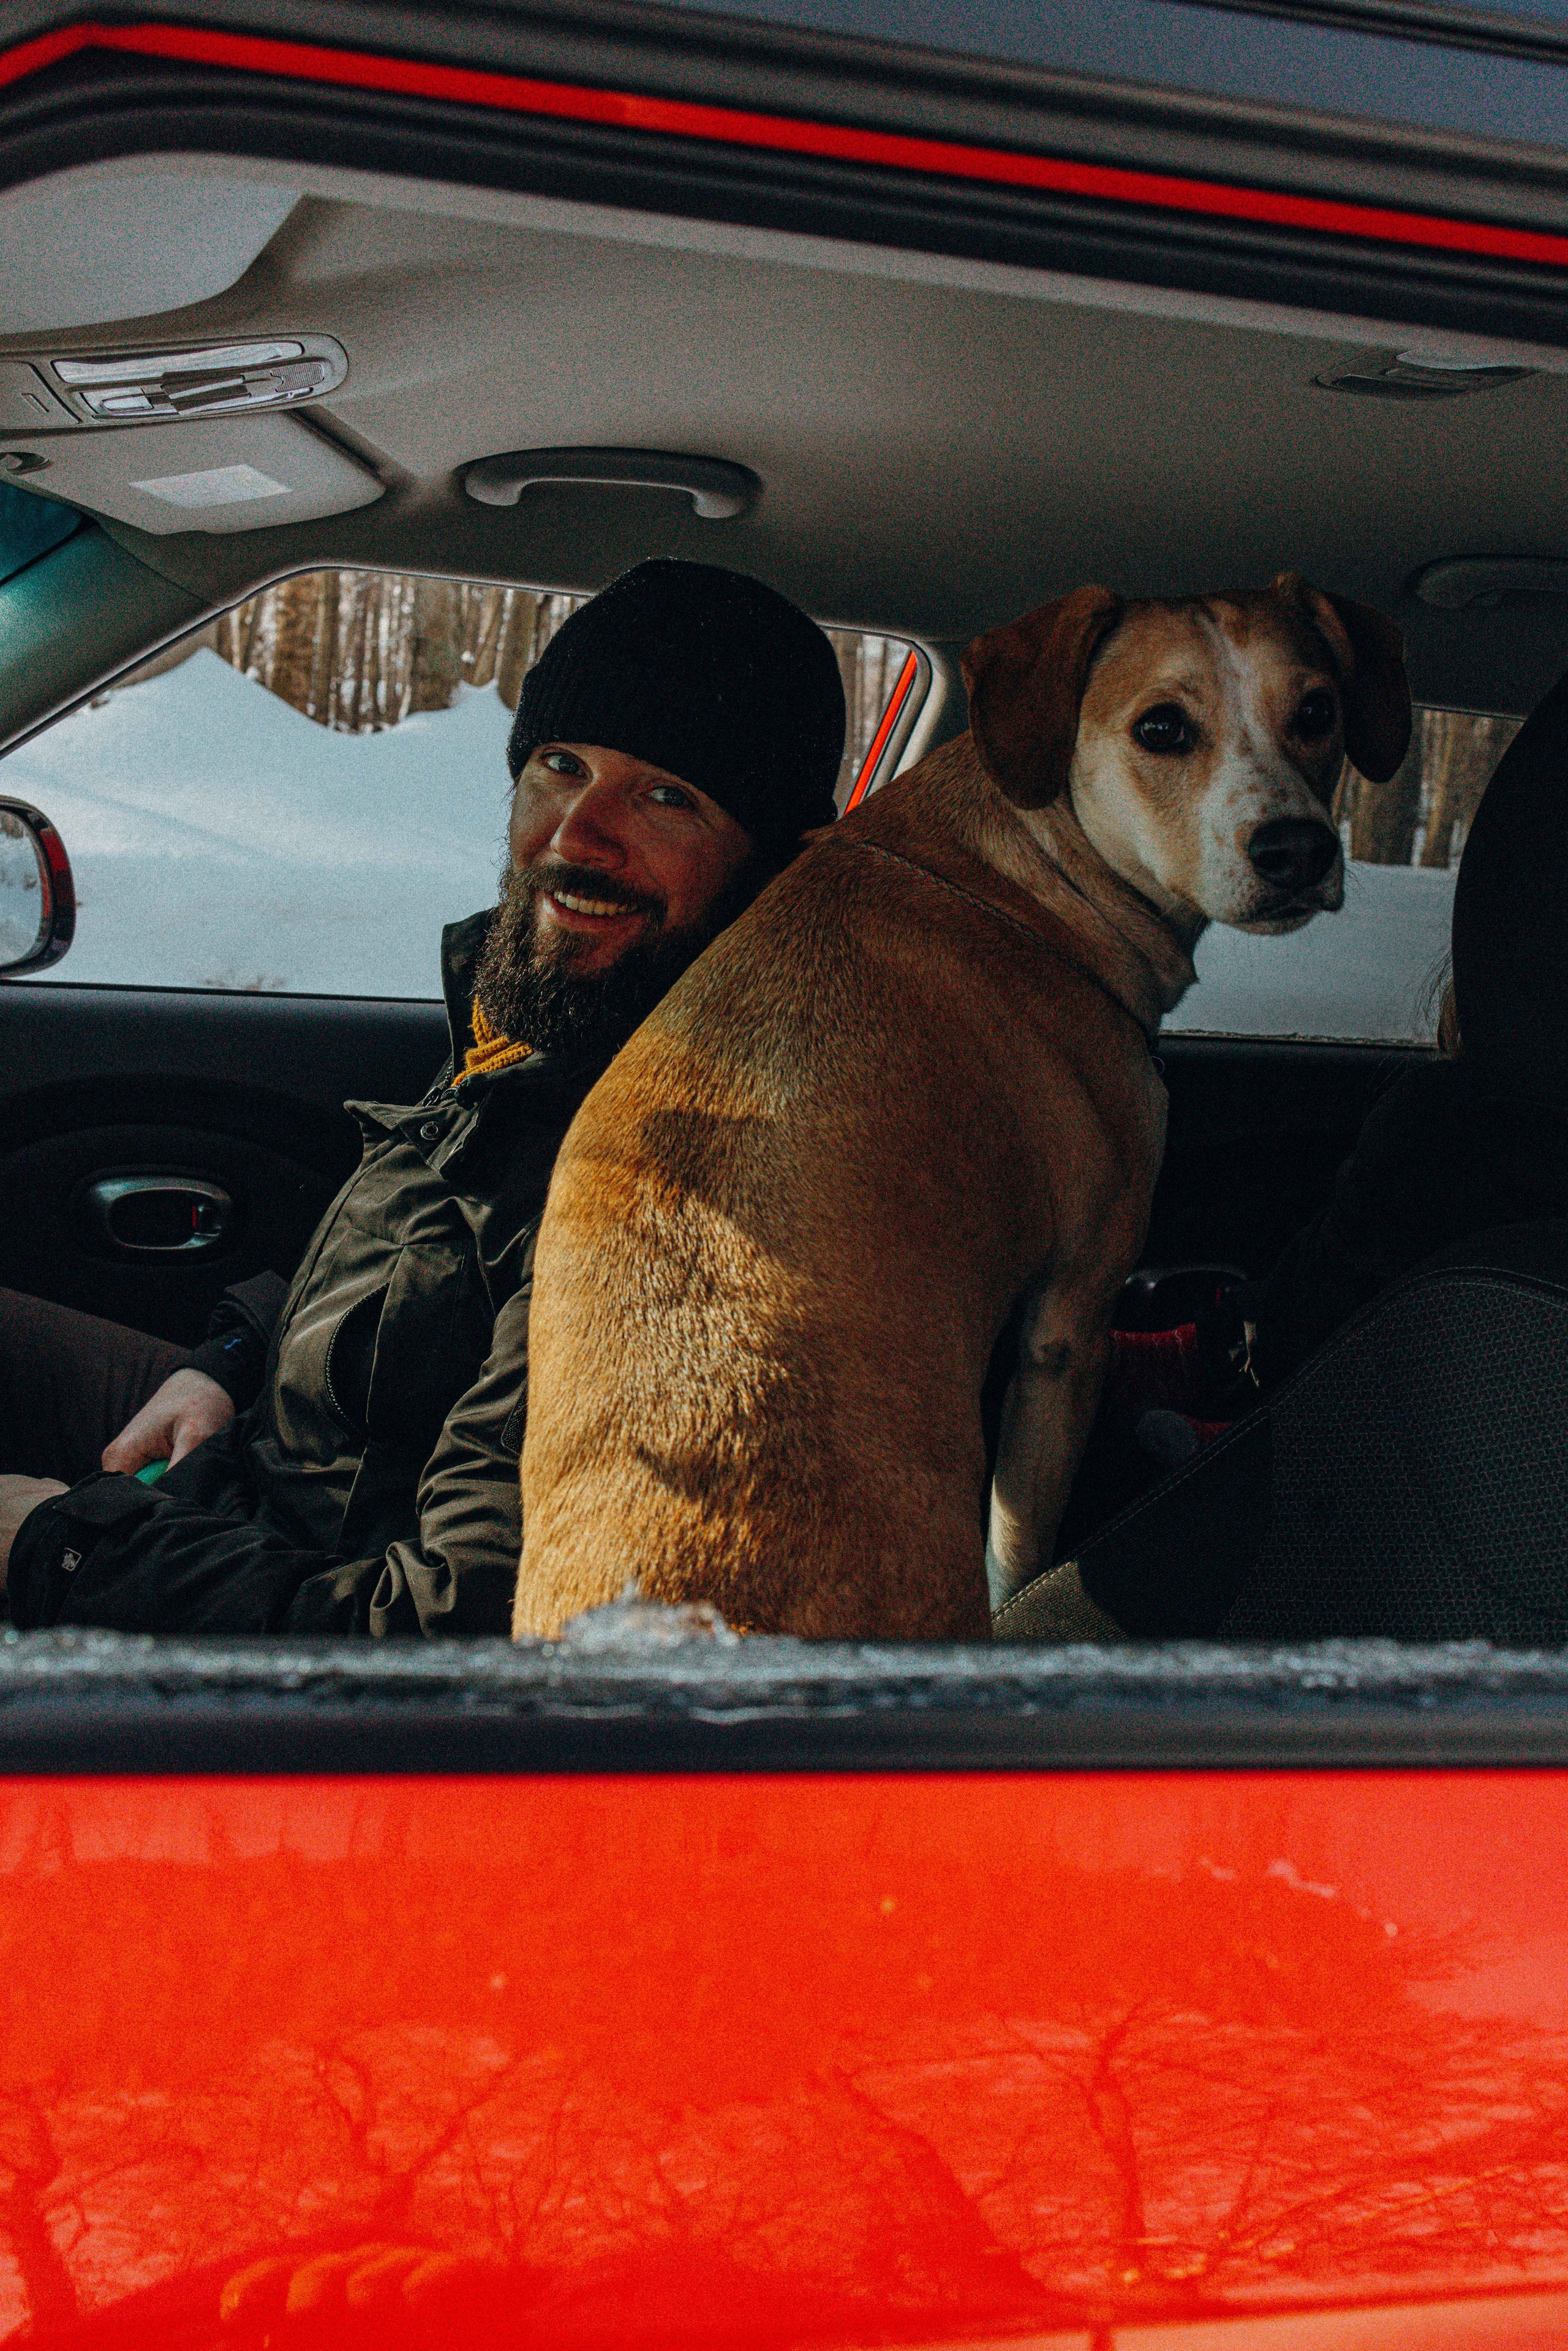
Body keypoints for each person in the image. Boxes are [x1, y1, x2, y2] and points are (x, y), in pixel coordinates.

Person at [0, 559, 845, 1634]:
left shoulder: (667, 1183)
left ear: (776, 869)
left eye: (667, 794)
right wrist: (227, 1362)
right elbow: (391, 1268)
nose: (576, 833)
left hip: (270, 1608)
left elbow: (442, 1637)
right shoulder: (540, 1021)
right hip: (244, 1459)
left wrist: (58, 1550)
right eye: (560, 763)